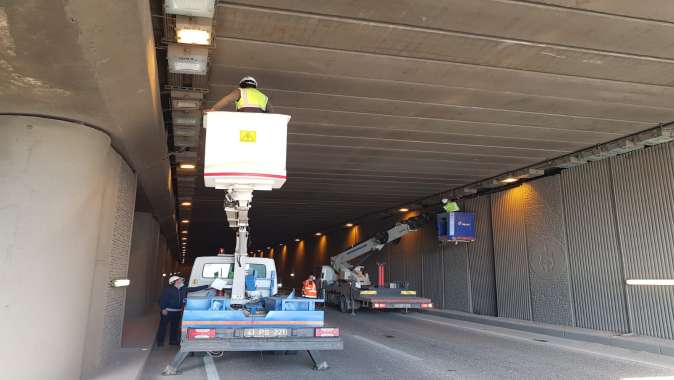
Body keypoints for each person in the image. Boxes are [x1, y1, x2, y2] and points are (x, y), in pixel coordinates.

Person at [156, 275, 210, 347]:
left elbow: (194, 289)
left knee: (174, 327)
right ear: (175, 282)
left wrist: (207, 286)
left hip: (177, 311)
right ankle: (160, 341)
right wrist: (163, 308)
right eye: (180, 280)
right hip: (167, 311)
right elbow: (162, 300)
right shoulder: (168, 290)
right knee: (163, 327)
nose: (182, 281)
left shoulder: (183, 289)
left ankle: (173, 341)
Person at [207, 76, 273, 113]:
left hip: (242, 118)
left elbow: (226, 100)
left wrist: (213, 109)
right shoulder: (263, 96)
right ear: (255, 85)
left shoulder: (239, 91)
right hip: (259, 121)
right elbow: (270, 112)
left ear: (241, 85)